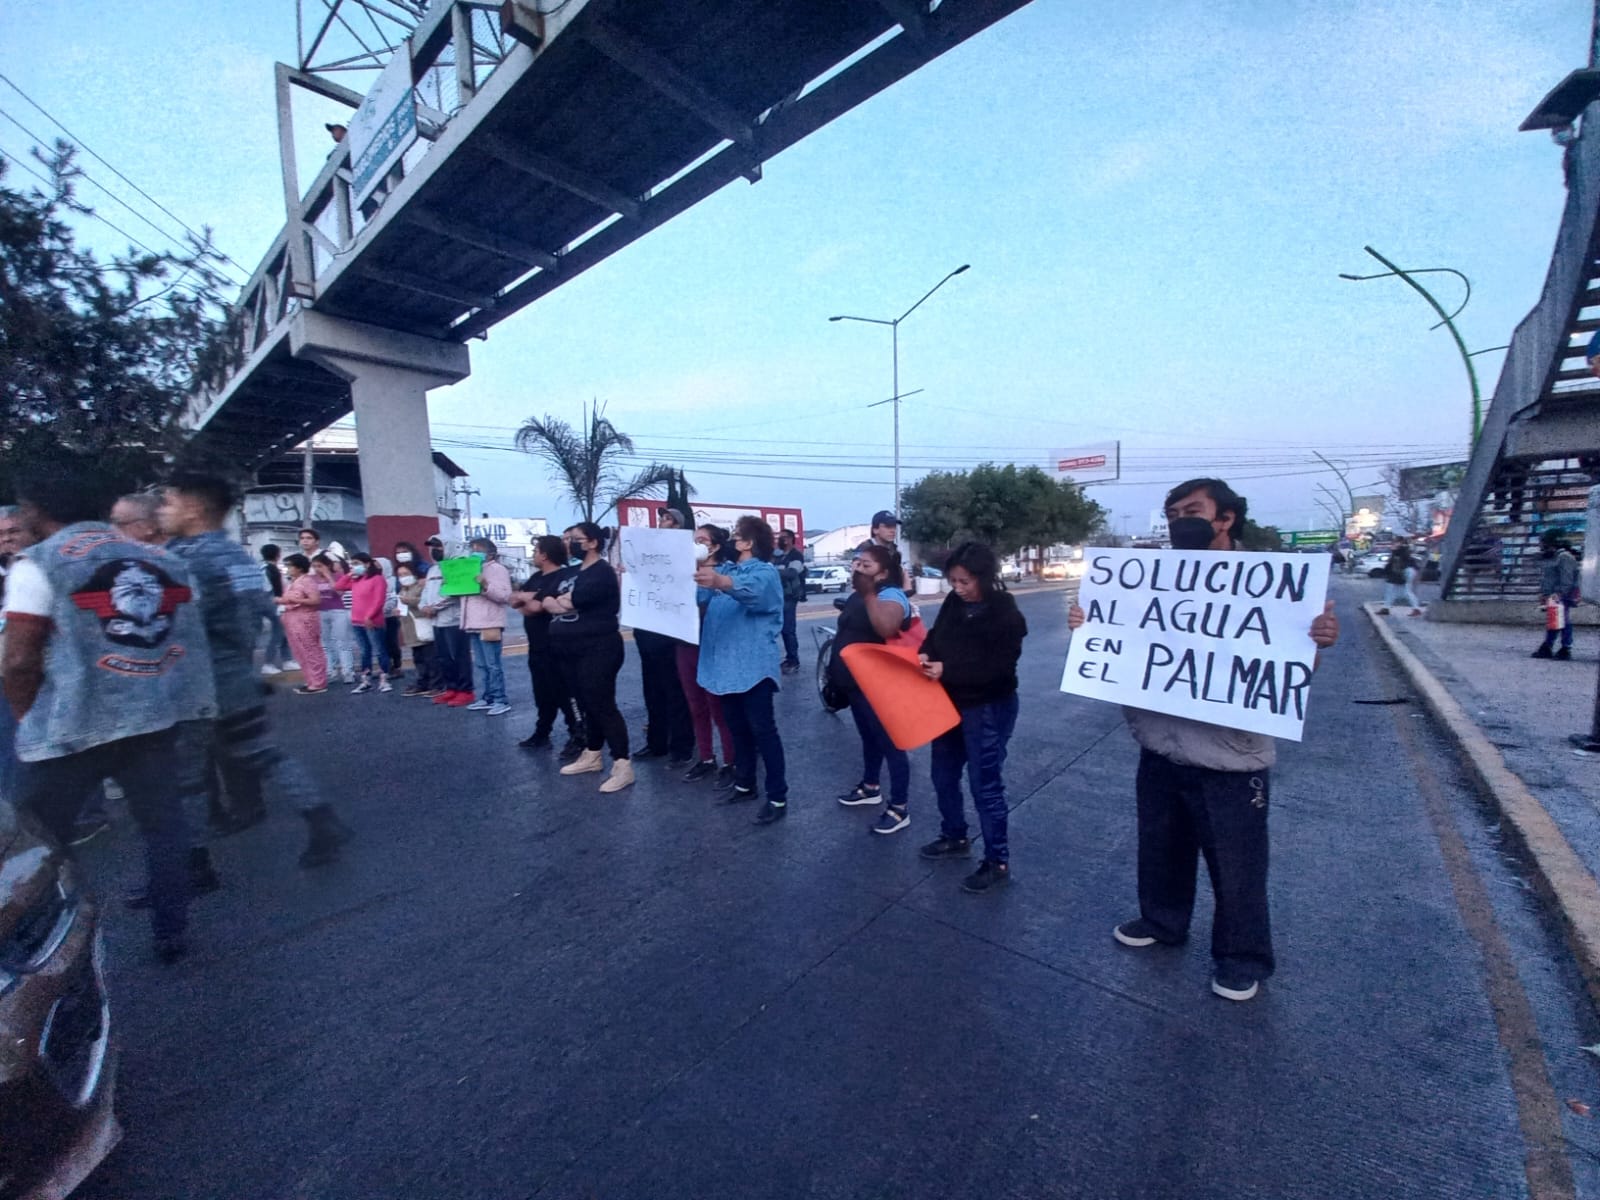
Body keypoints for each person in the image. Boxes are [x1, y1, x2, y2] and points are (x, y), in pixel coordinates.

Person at [1068, 477, 1339, 1002]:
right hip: (1160, 747)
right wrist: (1087, 624)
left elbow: (1290, 667)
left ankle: (1242, 958)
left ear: (1225, 518)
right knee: (1161, 846)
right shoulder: (1146, 579)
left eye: (1191, 511)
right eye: (1171, 514)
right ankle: (1163, 920)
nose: (1178, 522)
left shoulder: (1271, 580)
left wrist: (1317, 640)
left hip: (1231, 757)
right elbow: (1117, 642)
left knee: (1237, 865)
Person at [3, 460, 216, 962]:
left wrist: (24, 715)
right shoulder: (161, 560)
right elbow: (185, 638)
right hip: (153, 715)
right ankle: (171, 930)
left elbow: (18, 659)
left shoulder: (39, 562)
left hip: (70, 724)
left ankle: (43, 943)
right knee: (164, 827)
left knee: (34, 839)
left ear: (36, 510)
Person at [159, 474, 353, 869]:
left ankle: (193, 864)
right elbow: (264, 611)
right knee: (265, 754)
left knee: (187, 778)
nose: (163, 511)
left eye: (169, 502)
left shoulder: (183, 559)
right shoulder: (238, 558)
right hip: (235, 674)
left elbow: (175, 624)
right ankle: (321, 817)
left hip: (196, 683)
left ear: (194, 508)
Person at [918, 542, 1028, 894]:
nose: (959, 588)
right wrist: (925, 654)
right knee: (942, 774)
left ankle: (997, 860)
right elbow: (937, 636)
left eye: (965, 581)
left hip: (988, 707)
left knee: (985, 785)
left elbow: (997, 669)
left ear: (984, 577)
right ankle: (954, 834)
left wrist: (946, 669)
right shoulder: (954, 604)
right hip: (949, 702)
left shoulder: (1005, 614)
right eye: (953, 581)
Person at [695, 515, 789, 825]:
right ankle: (745, 784)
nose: (733, 540)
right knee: (738, 730)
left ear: (749, 543)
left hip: (752, 669)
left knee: (764, 732)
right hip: (725, 668)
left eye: (737, 536)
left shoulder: (765, 573)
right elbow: (698, 594)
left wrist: (722, 582)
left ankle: (777, 796)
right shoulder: (726, 569)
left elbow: (755, 595)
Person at [830, 543, 916, 835]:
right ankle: (870, 787)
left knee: (890, 743)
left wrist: (867, 592)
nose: (858, 569)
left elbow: (885, 629)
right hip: (855, 684)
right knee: (869, 737)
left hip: (877, 684)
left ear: (884, 572)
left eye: (866, 565)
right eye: (857, 563)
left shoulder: (890, 595)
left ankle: (900, 807)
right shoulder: (861, 592)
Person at [547, 522, 633, 792]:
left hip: (599, 647)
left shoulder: (602, 572)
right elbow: (548, 600)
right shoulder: (575, 571)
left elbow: (572, 601)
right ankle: (592, 753)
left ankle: (622, 764)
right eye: (569, 538)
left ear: (593, 542)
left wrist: (562, 601)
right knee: (585, 703)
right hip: (570, 648)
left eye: (576, 539)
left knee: (602, 703)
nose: (570, 543)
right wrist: (560, 600)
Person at [631, 507, 695, 765]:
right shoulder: (650, 550)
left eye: (668, 519)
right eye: (662, 518)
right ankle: (656, 743)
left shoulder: (685, 550)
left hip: (671, 630)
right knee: (652, 690)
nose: (662, 522)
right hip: (647, 628)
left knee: (675, 690)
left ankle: (681, 746)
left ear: (678, 526)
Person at [509, 535, 583, 751]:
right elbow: (517, 604)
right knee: (542, 693)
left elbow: (536, 608)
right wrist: (529, 598)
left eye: (535, 551)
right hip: (537, 647)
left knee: (565, 693)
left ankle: (578, 734)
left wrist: (528, 600)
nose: (533, 555)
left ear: (545, 554)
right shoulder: (535, 578)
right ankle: (542, 732)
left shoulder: (562, 576)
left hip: (557, 646)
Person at [679, 524, 737, 786]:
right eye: (694, 539)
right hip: (686, 644)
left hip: (713, 645)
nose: (696, 543)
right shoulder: (681, 571)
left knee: (718, 706)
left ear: (714, 545)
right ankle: (705, 757)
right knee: (695, 704)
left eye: (702, 539)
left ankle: (730, 761)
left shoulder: (725, 572)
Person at [0, 506, 34, 803]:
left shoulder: (41, 566)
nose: (6, 540)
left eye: (12, 532)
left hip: (36, 668)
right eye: (0, 535)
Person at [459, 536, 512, 715]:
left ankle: (500, 699)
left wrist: (485, 585)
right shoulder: (469, 568)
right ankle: (486, 696)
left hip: (489, 622)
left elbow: (505, 596)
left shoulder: (497, 569)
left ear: (490, 554)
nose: (475, 552)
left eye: (479, 549)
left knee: (492, 664)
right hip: (473, 622)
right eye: (472, 548)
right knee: (481, 664)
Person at [420, 534, 475, 707]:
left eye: (439, 546)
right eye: (432, 547)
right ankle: (451, 688)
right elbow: (425, 593)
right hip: (436, 621)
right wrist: (424, 606)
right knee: (443, 657)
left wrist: (434, 607)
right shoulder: (432, 570)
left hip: (454, 620)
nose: (434, 550)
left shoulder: (456, 567)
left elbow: (454, 594)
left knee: (459, 656)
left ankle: (466, 690)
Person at [337, 552, 393, 694]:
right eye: (352, 564)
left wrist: (370, 616)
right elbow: (339, 586)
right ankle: (365, 680)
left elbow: (379, 600)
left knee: (379, 650)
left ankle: (384, 679)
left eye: (356, 563)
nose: (354, 566)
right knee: (364, 651)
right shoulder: (356, 580)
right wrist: (350, 574)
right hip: (357, 620)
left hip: (372, 620)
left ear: (367, 564)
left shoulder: (377, 579)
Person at [275, 553, 327, 693]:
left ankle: (318, 682)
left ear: (299, 567)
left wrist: (293, 601)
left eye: (290, 566)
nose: (288, 569)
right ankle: (310, 681)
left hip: (304, 618)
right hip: (292, 618)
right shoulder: (293, 582)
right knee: (300, 652)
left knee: (310, 650)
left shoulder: (307, 581)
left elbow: (315, 600)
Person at [1533, 530, 1581, 660]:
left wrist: (1560, 593)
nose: (1540, 544)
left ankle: (1565, 648)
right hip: (1554, 594)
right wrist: (1545, 594)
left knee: (1563, 621)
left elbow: (1567, 578)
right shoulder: (1554, 556)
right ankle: (1548, 646)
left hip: (1561, 594)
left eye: (1542, 541)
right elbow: (1549, 578)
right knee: (1554, 620)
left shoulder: (1564, 557)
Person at [311, 552, 356, 683]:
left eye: (319, 566)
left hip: (338, 611)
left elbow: (339, 592)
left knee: (342, 641)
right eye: (314, 566)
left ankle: (348, 671)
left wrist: (328, 576)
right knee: (325, 643)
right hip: (320, 611)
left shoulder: (338, 576)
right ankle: (330, 671)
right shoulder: (311, 579)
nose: (317, 569)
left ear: (327, 565)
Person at [394, 558, 436, 696]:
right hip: (410, 630)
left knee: (430, 658)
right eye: (400, 575)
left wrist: (410, 602)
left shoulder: (421, 587)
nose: (403, 577)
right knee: (418, 658)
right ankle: (422, 682)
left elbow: (426, 604)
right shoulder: (402, 590)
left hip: (422, 627)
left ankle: (435, 683)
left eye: (406, 573)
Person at [258, 543, 294, 675]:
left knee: (284, 632)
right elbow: (269, 589)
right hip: (273, 604)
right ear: (278, 555)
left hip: (273, 603)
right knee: (278, 632)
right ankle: (268, 663)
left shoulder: (266, 568)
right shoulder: (269, 569)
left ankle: (287, 660)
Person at [775, 528, 806, 674]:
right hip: (777, 595)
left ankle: (793, 660)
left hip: (789, 596)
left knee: (788, 630)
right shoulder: (777, 555)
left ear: (791, 539)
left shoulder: (796, 555)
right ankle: (788, 659)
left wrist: (773, 571)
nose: (781, 540)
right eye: (780, 537)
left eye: (785, 537)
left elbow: (792, 572)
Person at [1376, 538, 1422, 617]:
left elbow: (1403, 558)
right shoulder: (1397, 552)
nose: (1393, 544)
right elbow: (1391, 564)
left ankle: (1416, 609)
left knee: (1406, 591)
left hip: (1407, 571)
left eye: (1396, 542)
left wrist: (1396, 549)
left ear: (1400, 543)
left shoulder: (1403, 550)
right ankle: (1386, 608)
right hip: (1401, 572)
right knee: (1392, 591)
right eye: (1394, 543)